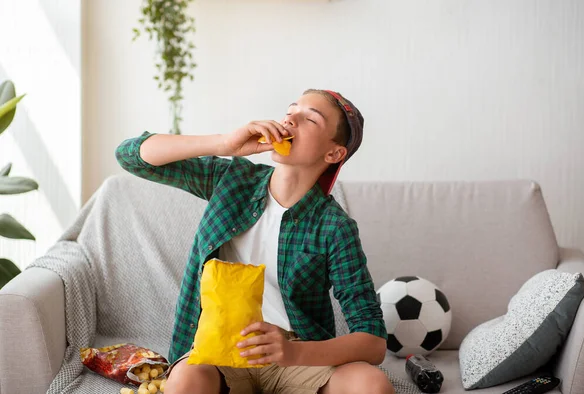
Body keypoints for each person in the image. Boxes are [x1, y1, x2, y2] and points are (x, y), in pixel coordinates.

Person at [115, 89, 394, 394]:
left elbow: (373, 342)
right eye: (292, 110)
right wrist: (225, 144)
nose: (291, 118)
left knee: (371, 384)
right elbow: (131, 156)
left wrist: (292, 354)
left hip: (297, 357)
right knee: (185, 381)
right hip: (219, 349)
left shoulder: (334, 227)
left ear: (333, 154)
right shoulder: (233, 180)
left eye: (310, 119)